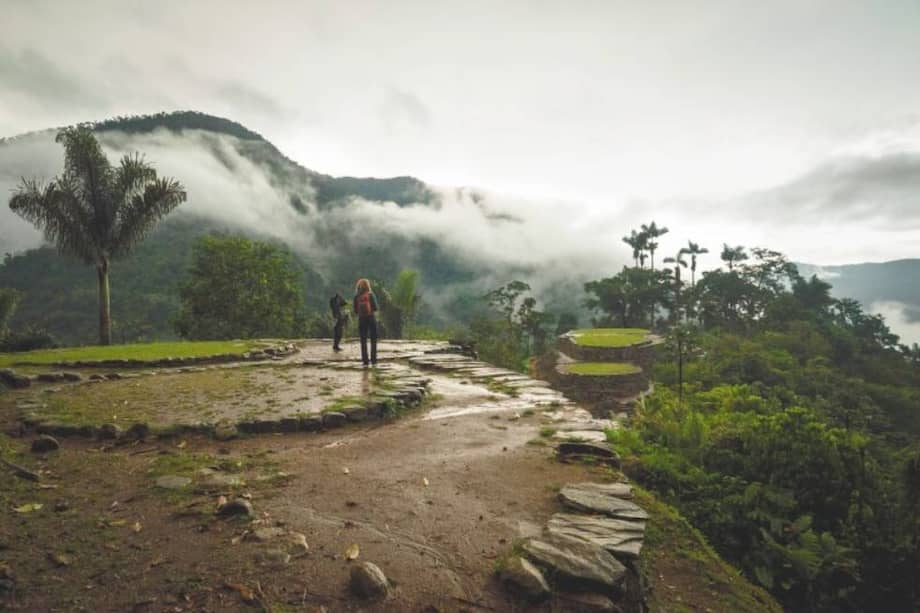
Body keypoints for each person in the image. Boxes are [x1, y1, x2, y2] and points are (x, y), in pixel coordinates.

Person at [353, 278, 379, 366]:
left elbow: (355, 310)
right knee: (373, 339)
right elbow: (375, 307)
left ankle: (365, 360)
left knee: (363, 340)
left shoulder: (356, 296)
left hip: (361, 319)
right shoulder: (371, 295)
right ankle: (374, 359)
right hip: (371, 318)